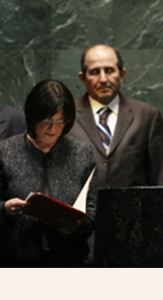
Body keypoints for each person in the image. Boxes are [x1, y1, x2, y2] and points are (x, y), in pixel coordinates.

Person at [0, 79, 97, 267]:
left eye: (60, 121)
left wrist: (78, 225)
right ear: (33, 117)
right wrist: (5, 209)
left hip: (68, 258)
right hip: (17, 258)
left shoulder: (82, 153)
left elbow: (93, 210)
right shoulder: (5, 151)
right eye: (47, 121)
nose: (53, 128)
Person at [68, 44, 163, 189]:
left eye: (109, 71)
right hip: (81, 210)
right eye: (95, 72)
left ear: (122, 74)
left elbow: (160, 181)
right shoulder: (67, 115)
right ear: (83, 78)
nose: (103, 79)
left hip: (133, 210)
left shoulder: (147, 116)